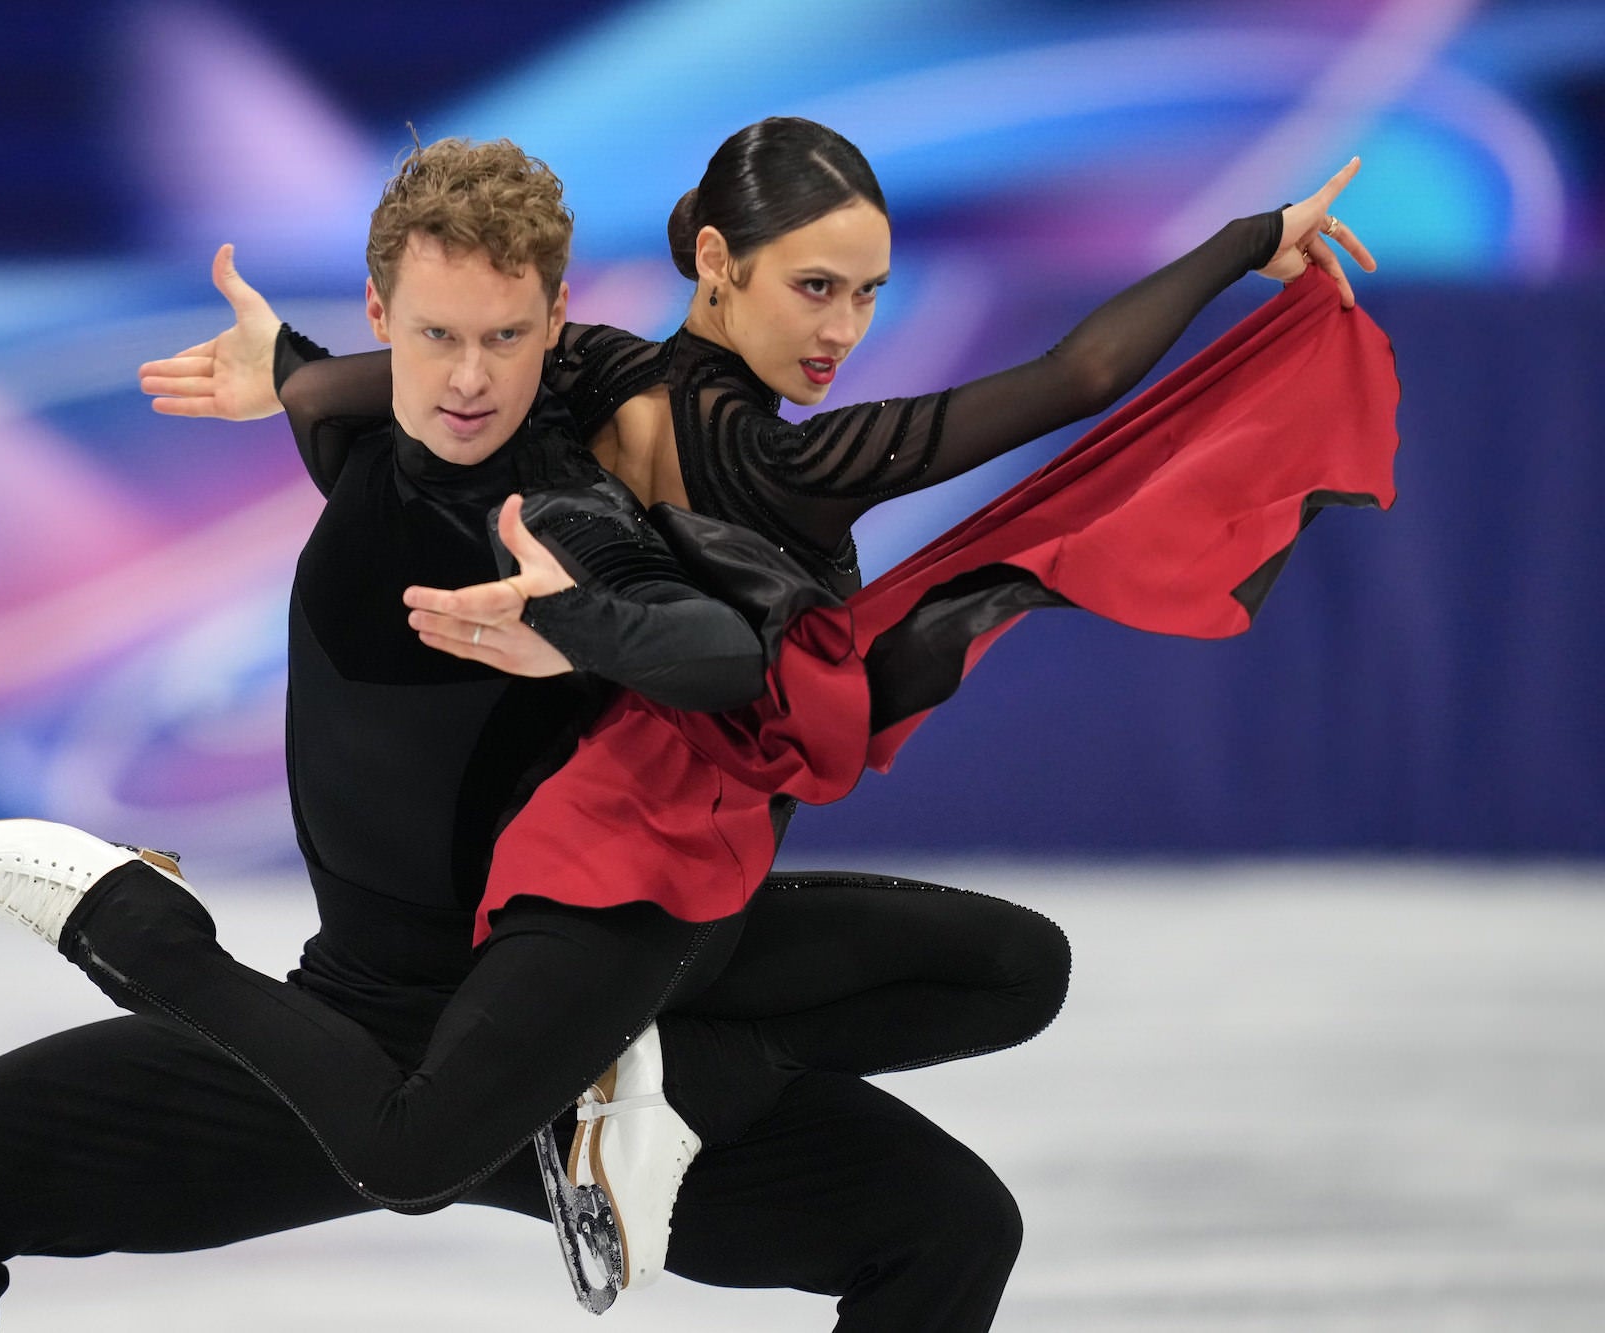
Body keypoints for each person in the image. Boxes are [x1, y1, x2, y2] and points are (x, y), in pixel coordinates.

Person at [114, 116, 1394, 1288]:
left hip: (655, 821)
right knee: (420, 1145)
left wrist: (290, 369)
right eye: (813, 287)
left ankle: (663, 1077)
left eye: (867, 292)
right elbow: (1075, 376)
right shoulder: (778, 456)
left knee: (1017, 969)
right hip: (631, 841)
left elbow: (412, 374)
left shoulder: (586, 368)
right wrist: (1243, 241)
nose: (842, 328)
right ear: (718, 263)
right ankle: (599, 1081)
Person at [0, 137, 1037, 1331]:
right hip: (355, 1037)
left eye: (505, 338)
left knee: (949, 1216)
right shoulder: (356, 441)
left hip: (561, 1012)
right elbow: (335, 397)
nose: (468, 379)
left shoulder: (566, 512)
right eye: (435, 336)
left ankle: (153, 934)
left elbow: (718, 650)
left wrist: (579, 627)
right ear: (380, 320)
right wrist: (291, 366)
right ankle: (626, 1092)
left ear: (555, 324)